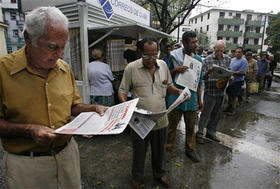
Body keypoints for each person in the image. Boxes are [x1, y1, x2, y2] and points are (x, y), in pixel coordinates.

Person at [0, 7, 107, 188]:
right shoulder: (3, 71)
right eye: (52, 47)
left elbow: (73, 106)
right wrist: (28, 130)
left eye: (63, 47)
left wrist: (94, 108)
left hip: (67, 157)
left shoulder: (64, 68)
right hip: (27, 165)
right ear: (28, 38)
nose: (59, 55)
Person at [118, 38, 183, 189]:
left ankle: (160, 173)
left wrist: (179, 92)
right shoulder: (131, 68)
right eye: (147, 56)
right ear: (140, 53)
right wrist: (125, 106)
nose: (152, 59)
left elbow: (169, 86)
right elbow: (122, 91)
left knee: (160, 151)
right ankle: (137, 176)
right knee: (139, 152)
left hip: (161, 119)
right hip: (140, 121)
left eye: (155, 55)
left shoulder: (163, 65)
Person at [166, 31, 203, 163]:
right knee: (171, 127)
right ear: (184, 43)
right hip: (175, 97)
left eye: (196, 41)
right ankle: (168, 149)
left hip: (191, 99)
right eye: (193, 42)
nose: (196, 44)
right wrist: (175, 70)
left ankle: (190, 149)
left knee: (191, 127)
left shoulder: (199, 60)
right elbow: (165, 76)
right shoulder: (173, 57)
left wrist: (200, 99)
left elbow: (199, 81)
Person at [196, 40, 231, 144]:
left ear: (224, 49)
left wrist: (230, 76)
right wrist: (208, 72)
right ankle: (200, 133)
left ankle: (211, 132)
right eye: (217, 50)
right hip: (210, 91)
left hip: (221, 91)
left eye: (221, 50)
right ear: (214, 48)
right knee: (206, 113)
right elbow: (202, 77)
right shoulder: (207, 60)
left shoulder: (227, 59)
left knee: (217, 114)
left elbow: (228, 71)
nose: (219, 53)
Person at [225, 47, 248, 116]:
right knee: (229, 95)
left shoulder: (244, 61)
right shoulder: (233, 59)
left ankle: (232, 110)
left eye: (239, 52)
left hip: (237, 81)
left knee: (234, 96)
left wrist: (232, 72)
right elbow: (229, 67)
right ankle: (228, 107)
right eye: (236, 52)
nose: (237, 53)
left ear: (242, 53)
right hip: (230, 81)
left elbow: (243, 72)